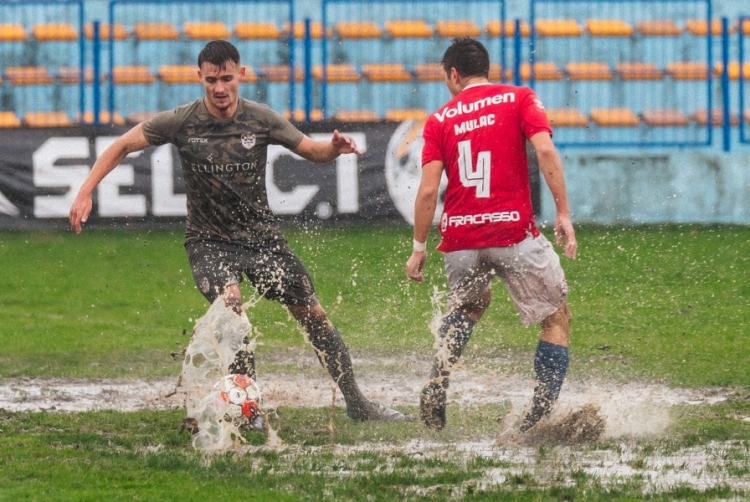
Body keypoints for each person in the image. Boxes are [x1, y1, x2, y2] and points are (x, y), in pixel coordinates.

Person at [69, 40, 405, 422]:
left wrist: (333, 148)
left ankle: (358, 404)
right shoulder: (181, 121)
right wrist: (85, 191)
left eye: (226, 78)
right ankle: (249, 411)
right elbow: (122, 145)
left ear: (241, 75)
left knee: (312, 314)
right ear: (200, 78)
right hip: (208, 242)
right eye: (211, 79)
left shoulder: (260, 118)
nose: (219, 88)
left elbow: (311, 151)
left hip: (262, 240)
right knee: (231, 307)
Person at [405, 37, 577, 432]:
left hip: (460, 241)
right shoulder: (519, 98)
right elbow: (545, 151)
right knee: (555, 318)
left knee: (468, 307)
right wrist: (563, 212)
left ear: (453, 75)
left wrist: (418, 248)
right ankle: (535, 418)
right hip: (513, 234)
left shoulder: (439, 119)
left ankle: (437, 380)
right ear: (487, 69)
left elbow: (429, 189)